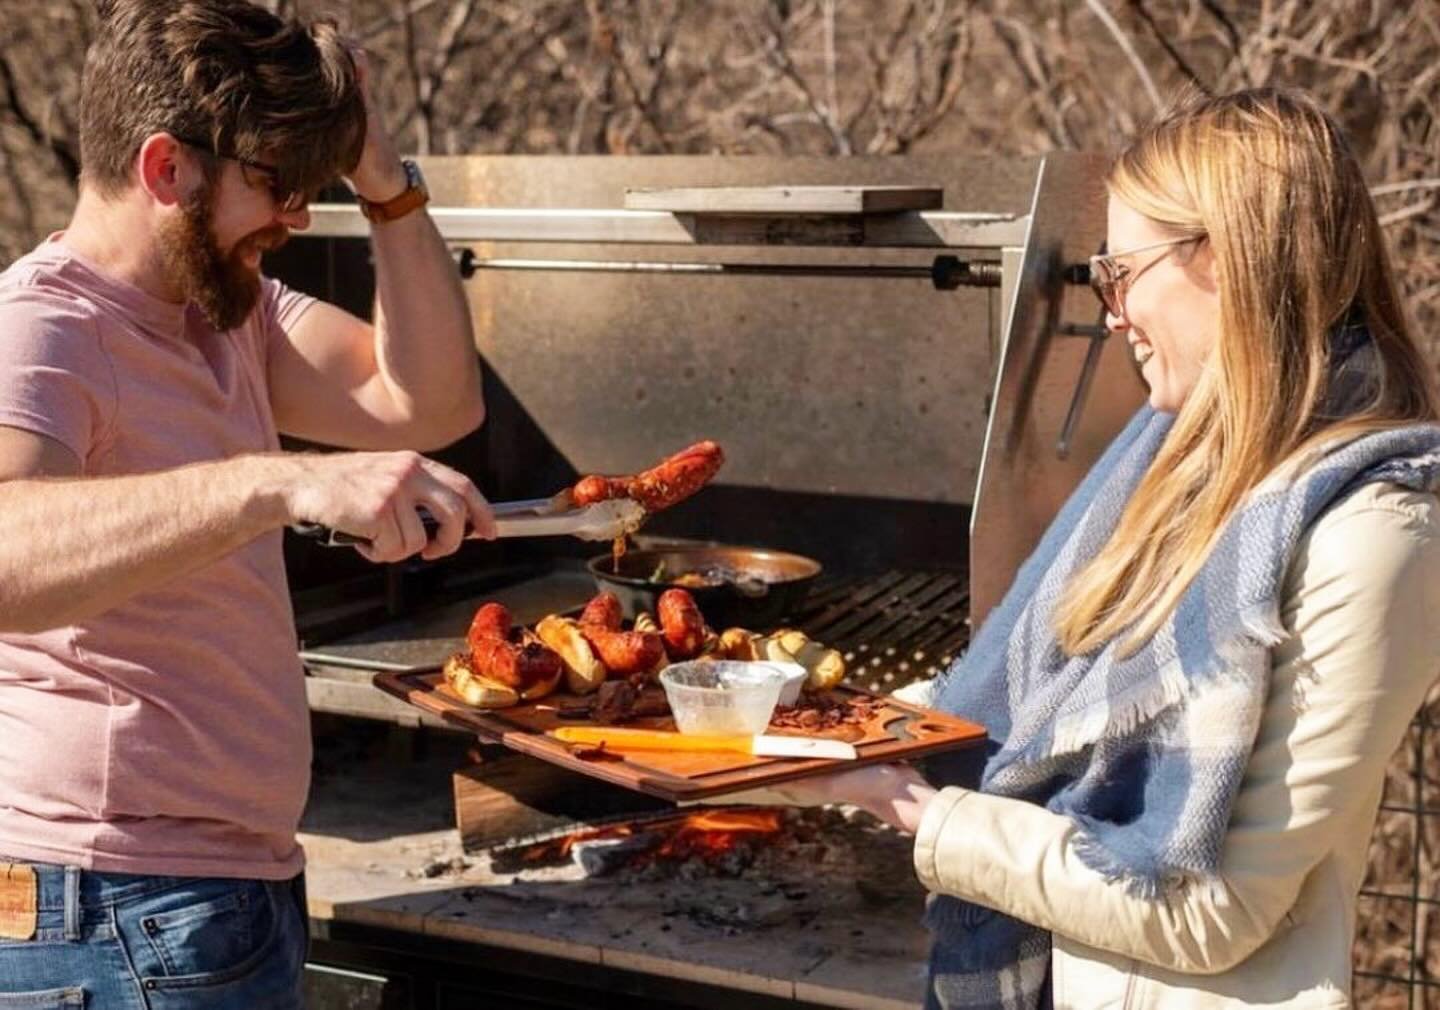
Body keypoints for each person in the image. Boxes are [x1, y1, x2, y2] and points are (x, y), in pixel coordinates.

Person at [776, 88, 1440, 1009]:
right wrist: (820, 728)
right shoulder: (1173, 459)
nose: (1111, 309)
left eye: (1119, 271)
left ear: (1227, 260)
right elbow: (1050, 707)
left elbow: (1210, 912)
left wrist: (910, 808)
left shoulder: (1375, 536)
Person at [0, 1, 494, 1005]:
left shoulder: (230, 312)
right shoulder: (40, 329)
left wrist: (386, 185)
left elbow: (434, 399)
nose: (298, 216)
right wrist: (282, 479)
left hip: (219, 892)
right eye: (276, 184)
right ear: (165, 170)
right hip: (102, 903)